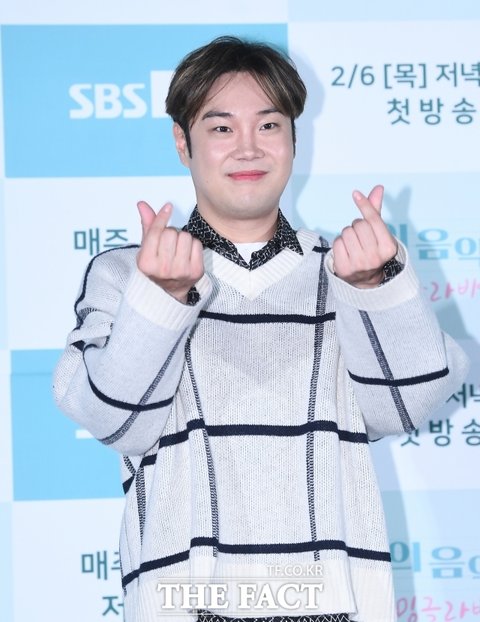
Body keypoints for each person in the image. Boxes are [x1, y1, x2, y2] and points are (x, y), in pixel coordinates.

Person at [53, 36, 469, 622]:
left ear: (294, 139)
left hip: (335, 601)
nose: (248, 147)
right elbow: (115, 421)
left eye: (269, 125)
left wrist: (375, 288)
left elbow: (405, 406)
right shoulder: (129, 274)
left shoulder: (347, 267)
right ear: (183, 142)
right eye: (221, 128)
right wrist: (163, 298)